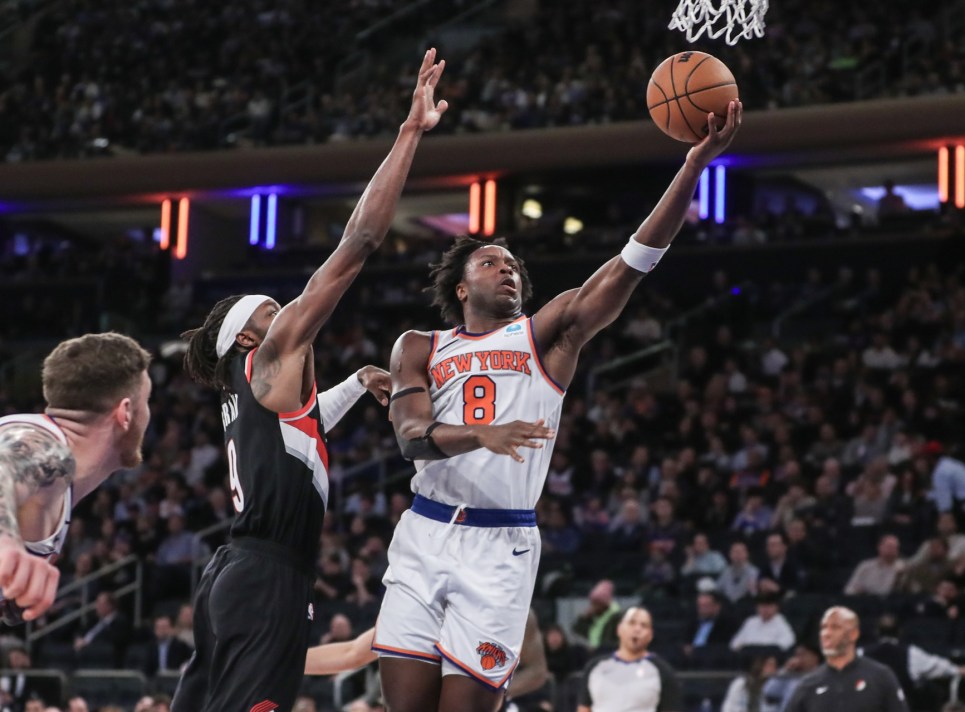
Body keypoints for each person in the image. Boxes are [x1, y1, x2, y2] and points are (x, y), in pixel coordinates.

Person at [378, 99, 742, 712]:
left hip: (501, 545)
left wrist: (694, 165)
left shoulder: (547, 335)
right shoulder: (419, 346)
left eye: (514, 264)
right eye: (491, 262)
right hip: (424, 533)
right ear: (461, 286)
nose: (508, 269)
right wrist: (480, 435)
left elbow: (632, 264)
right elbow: (411, 436)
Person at [170, 47, 447, 712]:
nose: (292, 315)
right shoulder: (266, 359)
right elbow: (358, 243)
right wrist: (409, 133)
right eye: (276, 311)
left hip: (242, 574)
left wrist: (353, 383)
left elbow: (302, 429)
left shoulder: (259, 400)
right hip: (263, 573)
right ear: (248, 338)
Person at [0, 332, 152, 623]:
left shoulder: (56, 476)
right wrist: (6, 548)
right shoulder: (45, 447)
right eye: (146, 401)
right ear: (126, 412)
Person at [785, 607, 907, 712]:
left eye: (835, 627)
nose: (826, 634)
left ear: (853, 634)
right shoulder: (808, 684)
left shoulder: (880, 676)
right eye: (823, 628)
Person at [577, 607, 681, 712]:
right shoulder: (595, 667)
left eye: (644, 625)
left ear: (650, 635)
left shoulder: (663, 671)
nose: (637, 629)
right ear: (619, 629)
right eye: (631, 623)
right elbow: (584, 708)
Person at [862, 614, 965, 710]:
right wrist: (956, 669)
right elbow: (934, 665)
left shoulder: (862, 653)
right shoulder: (910, 652)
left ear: (876, 631)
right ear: (900, 631)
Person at [761, 642, 822, 712]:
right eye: (797, 655)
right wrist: (786, 670)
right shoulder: (789, 675)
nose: (798, 659)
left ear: (815, 657)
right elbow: (769, 693)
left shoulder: (822, 675)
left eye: (803, 655)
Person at [142, 613, 193, 678]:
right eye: (159, 627)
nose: (162, 630)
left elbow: (189, 661)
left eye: (164, 627)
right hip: (156, 682)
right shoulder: (150, 647)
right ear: (155, 630)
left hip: (175, 679)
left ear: (171, 628)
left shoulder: (181, 646)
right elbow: (146, 669)